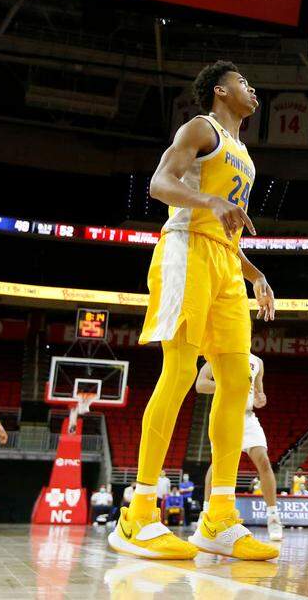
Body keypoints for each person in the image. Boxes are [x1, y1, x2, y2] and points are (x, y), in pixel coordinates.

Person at [108, 61, 277, 562]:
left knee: (235, 381)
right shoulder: (201, 127)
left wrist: (255, 274)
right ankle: (137, 514)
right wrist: (207, 200)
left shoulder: (244, 153)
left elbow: (223, 223)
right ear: (222, 91)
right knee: (180, 371)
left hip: (225, 263)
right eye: (245, 82)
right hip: (185, 251)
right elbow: (160, 184)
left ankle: (218, 517)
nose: (253, 88)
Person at [196, 353, 283, 542]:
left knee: (265, 462)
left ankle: (273, 517)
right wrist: (225, 385)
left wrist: (260, 399)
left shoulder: (258, 362)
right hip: (225, 415)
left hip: (248, 418)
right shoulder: (220, 355)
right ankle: (206, 513)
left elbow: (259, 394)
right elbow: (200, 384)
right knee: (217, 465)